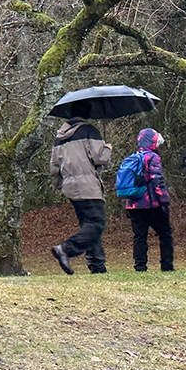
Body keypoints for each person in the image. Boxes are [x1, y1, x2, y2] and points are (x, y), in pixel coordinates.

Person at [49, 102, 112, 275]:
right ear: (87, 113)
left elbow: (54, 167)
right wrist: (107, 148)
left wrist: (61, 185)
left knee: (88, 224)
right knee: (96, 224)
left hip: (70, 186)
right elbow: (100, 158)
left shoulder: (59, 137)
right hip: (87, 185)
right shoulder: (89, 131)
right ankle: (66, 249)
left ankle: (97, 265)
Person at [122, 128, 174, 272]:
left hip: (133, 204)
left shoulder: (132, 157)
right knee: (165, 233)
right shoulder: (153, 157)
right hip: (151, 204)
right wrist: (164, 199)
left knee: (139, 236)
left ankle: (140, 266)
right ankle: (167, 265)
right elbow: (156, 180)